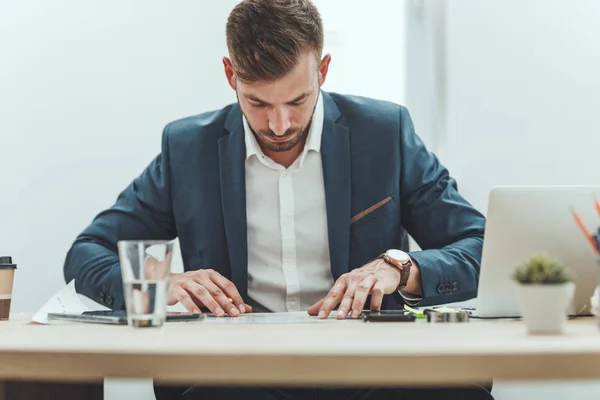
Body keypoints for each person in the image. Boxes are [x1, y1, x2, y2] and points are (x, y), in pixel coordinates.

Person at [63, 0, 491, 399]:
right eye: (257, 102)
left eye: (298, 100)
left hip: (371, 370)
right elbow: (87, 252)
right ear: (231, 75)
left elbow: (481, 246)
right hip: (235, 377)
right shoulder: (187, 148)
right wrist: (162, 285)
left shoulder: (384, 133)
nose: (280, 124)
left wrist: (402, 267)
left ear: (322, 70)